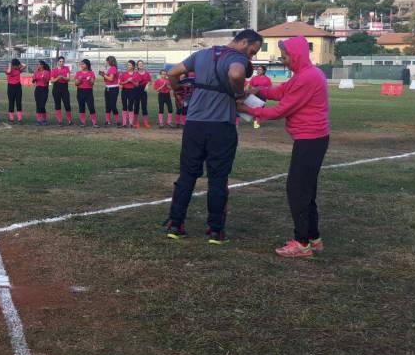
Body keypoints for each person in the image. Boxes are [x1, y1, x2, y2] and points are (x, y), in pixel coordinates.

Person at [161, 29, 264, 245]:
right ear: (244, 42)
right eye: (252, 51)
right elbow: (236, 74)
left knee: (187, 176)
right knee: (218, 179)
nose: (251, 57)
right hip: (221, 127)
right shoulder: (238, 58)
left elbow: (172, 73)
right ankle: (215, 231)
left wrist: (177, 90)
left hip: (194, 125)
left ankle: (175, 223)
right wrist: (237, 92)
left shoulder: (202, 54)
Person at [239, 36, 330, 258]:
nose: (284, 61)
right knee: (306, 190)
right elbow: (279, 92)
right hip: (312, 139)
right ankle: (313, 238)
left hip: (310, 139)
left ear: (296, 55)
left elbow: (281, 110)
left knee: (297, 191)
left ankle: (301, 243)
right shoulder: (306, 74)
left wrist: (247, 109)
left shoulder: (307, 77)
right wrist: (256, 91)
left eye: (285, 57)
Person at [50, 55, 73, 126]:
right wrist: (57, 78)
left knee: (67, 104)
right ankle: (59, 121)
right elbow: (52, 80)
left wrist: (62, 77)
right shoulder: (54, 70)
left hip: (64, 88)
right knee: (57, 104)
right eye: (60, 61)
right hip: (56, 88)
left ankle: (70, 120)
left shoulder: (66, 69)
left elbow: (68, 79)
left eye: (63, 61)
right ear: (57, 62)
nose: (61, 63)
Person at [75, 59, 98, 127]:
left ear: (87, 65)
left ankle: (94, 122)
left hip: (88, 91)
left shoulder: (91, 73)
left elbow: (92, 83)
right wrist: (79, 79)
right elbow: (76, 83)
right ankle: (83, 122)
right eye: (81, 64)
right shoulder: (78, 73)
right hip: (80, 91)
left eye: (83, 64)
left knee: (91, 107)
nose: (81, 65)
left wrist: (90, 79)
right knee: (81, 106)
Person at [99, 55, 120, 127]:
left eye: (107, 61)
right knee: (107, 105)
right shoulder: (111, 68)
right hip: (108, 88)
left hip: (113, 88)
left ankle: (117, 121)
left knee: (112, 105)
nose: (106, 62)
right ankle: (107, 121)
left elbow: (111, 79)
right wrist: (104, 75)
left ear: (110, 61)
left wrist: (104, 75)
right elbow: (108, 79)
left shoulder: (113, 68)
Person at [5, 59, 27, 123]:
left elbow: (25, 66)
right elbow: (8, 72)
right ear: (13, 65)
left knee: (18, 102)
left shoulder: (18, 70)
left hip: (18, 87)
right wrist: (10, 64)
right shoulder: (8, 69)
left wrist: (19, 63)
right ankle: (11, 118)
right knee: (11, 102)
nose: (17, 67)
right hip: (10, 87)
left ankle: (20, 118)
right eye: (16, 66)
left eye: (18, 66)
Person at [32, 59, 52, 126]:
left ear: (42, 65)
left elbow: (47, 82)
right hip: (38, 89)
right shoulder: (36, 72)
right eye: (37, 64)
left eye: (38, 64)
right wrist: (34, 79)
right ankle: (38, 120)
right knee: (38, 105)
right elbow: (33, 81)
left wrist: (44, 79)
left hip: (44, 89)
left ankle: (44, 120)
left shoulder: (47, 72)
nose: (37, 65)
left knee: (42, 105)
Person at [134, 61, 152, 129]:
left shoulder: (147, 74)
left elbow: (150, 81)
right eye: (139, 64)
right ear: (137, 66)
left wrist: (147, 85)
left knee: (144, 106)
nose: (141, 65)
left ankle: (146, 122)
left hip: (144, 91)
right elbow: (135, 83)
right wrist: (136, 83)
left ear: (143, 65)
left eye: (142, 64)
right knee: (136, 106)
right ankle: (136, 122)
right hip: (137, 91)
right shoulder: (135, 74)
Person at [119, 61, 137, 128]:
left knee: (130, 106)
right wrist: (127, 81)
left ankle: (131, 123)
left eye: (129, 65)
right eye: (127, 65)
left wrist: (132, 81)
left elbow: (137, 84)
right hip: (124, 91)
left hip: (132, 91)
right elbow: (120, 83)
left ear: (133, 66)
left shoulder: (136, 74)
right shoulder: (123, 74)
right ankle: (124, 123)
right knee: (124, 106)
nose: (128, 66)